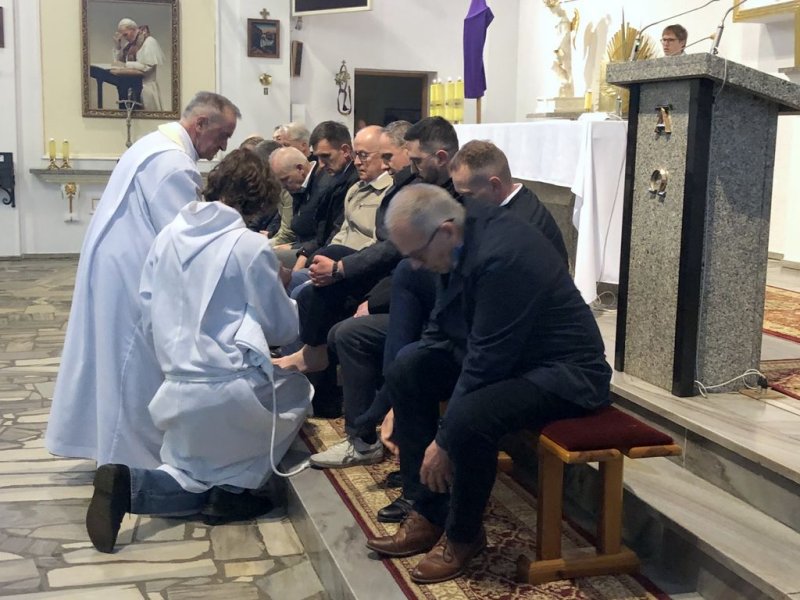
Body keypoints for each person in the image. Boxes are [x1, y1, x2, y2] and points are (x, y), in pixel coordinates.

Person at [365, 185, 612, 583]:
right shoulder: (458, 229)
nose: (415, 265)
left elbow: (487, 364)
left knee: (471, 416)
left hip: (564, 372)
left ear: (445, 231)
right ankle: (428, 510)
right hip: (512, 358)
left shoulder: (502, 256)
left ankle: (464, 535)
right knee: (408, 368)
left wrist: (443, 441)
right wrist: (392, 402)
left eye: (417, 254)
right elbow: (442, 323)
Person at [84, 149, 312, 554]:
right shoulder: (248, 246)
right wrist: (285, 296)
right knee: (297, 391)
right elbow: (282, 327)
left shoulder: (168, 235)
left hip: (174, 388)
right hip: (230, 388)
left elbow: (148, 307)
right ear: (260, 200)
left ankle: (129, 485)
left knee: (187, 474)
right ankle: (236, 488)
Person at [46, 92, 241, 469]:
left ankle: (114, 450)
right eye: (222, 136)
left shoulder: (152, 145)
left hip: (117, 264)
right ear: (200, 123)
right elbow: (183, 238)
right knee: (132, 364)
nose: (223, 147)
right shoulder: (174, 164)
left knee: (113, 360)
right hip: (133, 272)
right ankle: (132, 461)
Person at [273, 125, 393, 374]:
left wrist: (334, 263)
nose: (357, 162)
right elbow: (340, 232)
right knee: (289, 280)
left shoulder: (389, 193)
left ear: (384, 157)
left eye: (364, 155)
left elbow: (378, 244)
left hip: (359, 266)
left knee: (303, 291)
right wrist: (318, 258)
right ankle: (292, 353)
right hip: (337, 258)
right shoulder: (355, 189)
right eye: (357, 155)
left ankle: (308, 360)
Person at [269, 146, 331, 267]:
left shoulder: (324, 186)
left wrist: (296, 247)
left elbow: (322, 236)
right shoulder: (300, 188)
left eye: (285, 179)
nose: (283, 186)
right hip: (300, 245)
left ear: (300, 169)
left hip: (314, 251)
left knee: (268, 257)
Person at [112, 18, 166, 110]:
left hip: (146, 89)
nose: (125, 38)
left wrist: (127, 65)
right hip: (131, 88)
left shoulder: (149, 42)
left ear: (133, 29)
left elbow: (147, 67)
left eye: (125, 34)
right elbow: (118, 63)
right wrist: (117, 46)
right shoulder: (129, 45)